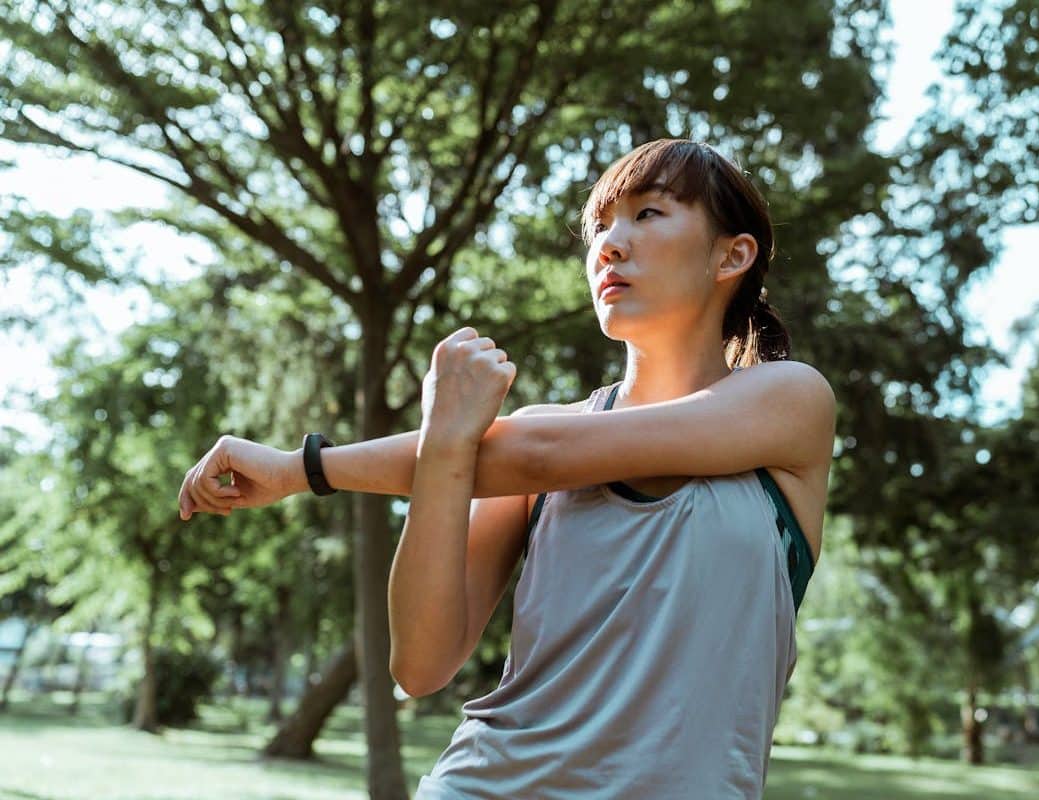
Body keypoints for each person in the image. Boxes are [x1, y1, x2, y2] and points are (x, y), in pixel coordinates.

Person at [177, 138, 835, 798]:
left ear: (733, 254)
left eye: (649, 213)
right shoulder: (526, 439)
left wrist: (302, 468)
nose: (608, 244)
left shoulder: (789, 403)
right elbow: (420, 663)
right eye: (600, 226)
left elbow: (535, 455)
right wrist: (443, 443)